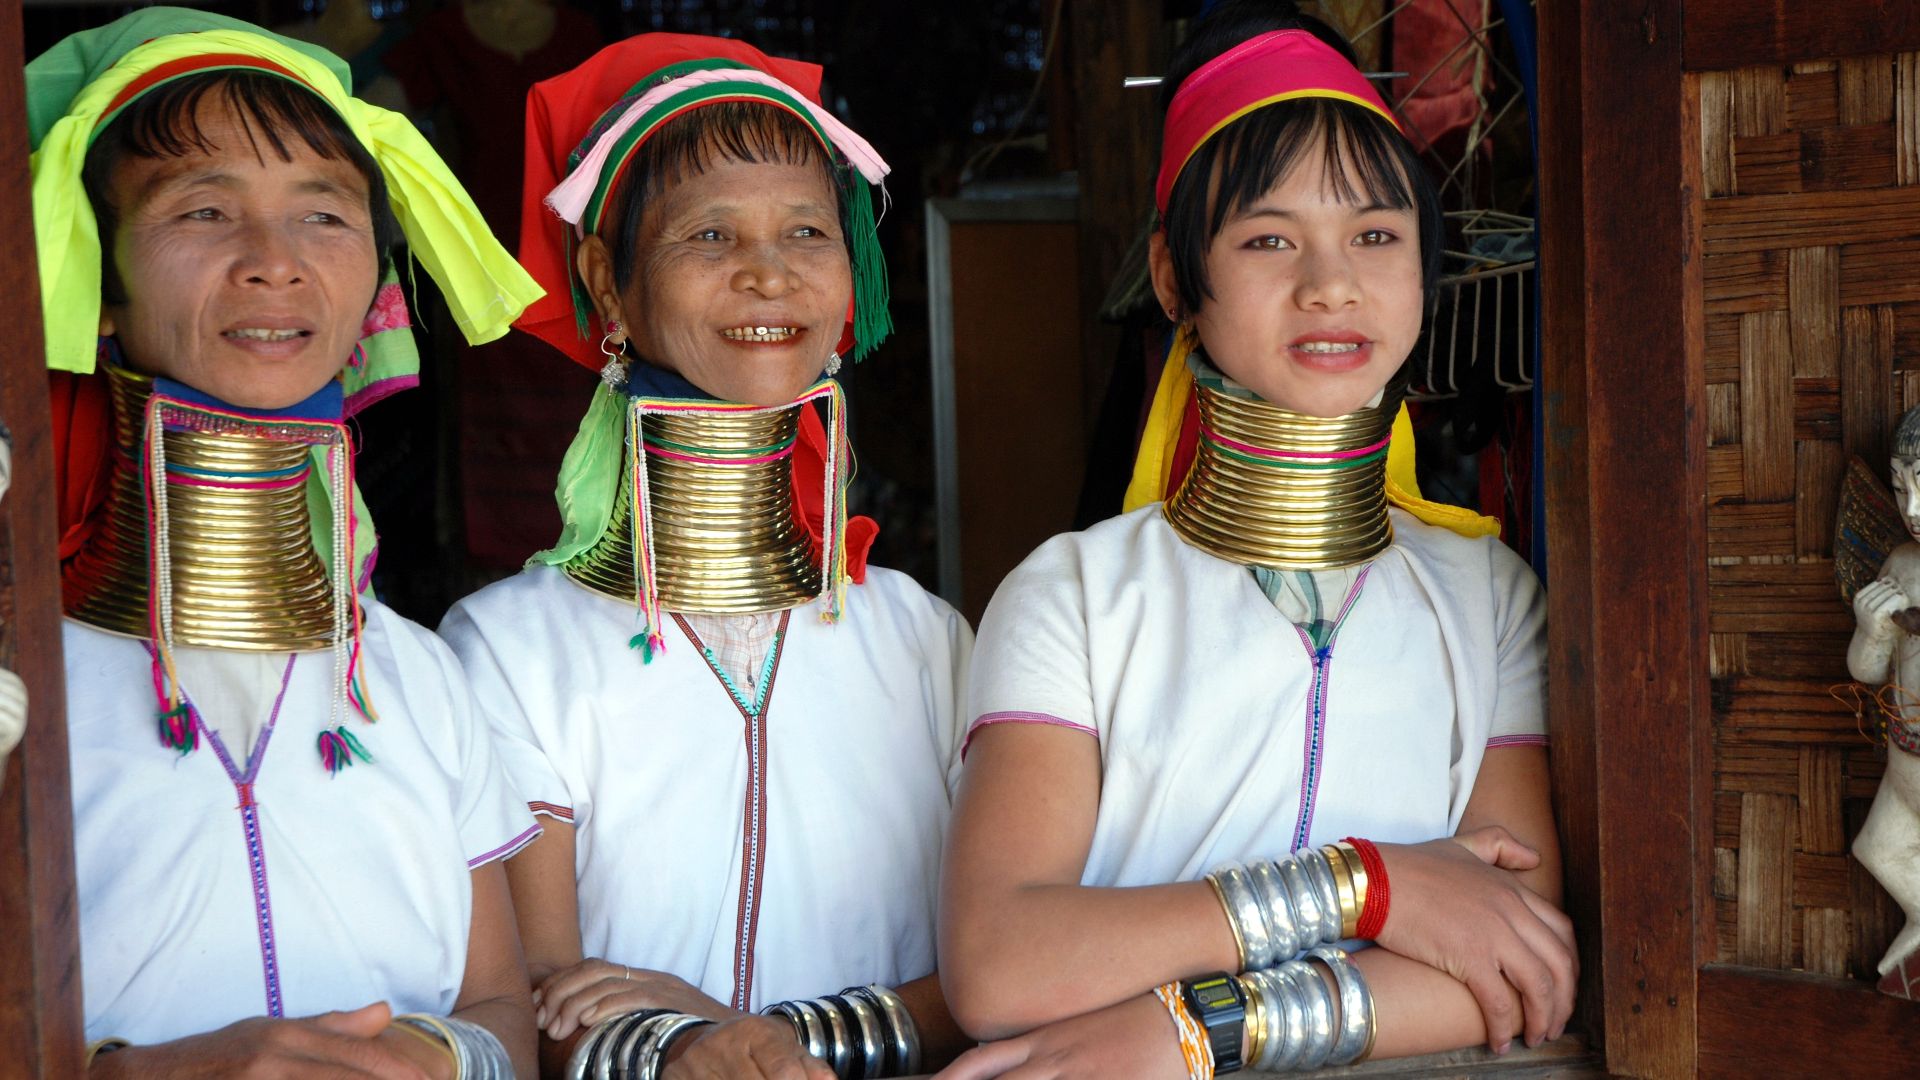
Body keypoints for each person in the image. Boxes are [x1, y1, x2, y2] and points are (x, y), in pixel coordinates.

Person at [936, 4, 1573, 1076]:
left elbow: (1520, 961)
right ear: (1178, 278)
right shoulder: (1073, 596)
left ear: (1425, 269)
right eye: (1269, 238)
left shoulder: (1490, 597)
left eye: (1376, 236)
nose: (1331, 283)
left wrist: (1192, 1032)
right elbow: (1002, 962)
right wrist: (1376, 884)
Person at [438, 33, 972, 1079]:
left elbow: (1001, 971)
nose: (767, 271)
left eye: (808, 232)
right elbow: (534, 999)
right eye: (710, 234)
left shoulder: (923, 638)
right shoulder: (509, 649)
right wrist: (686, 1046)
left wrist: (753, 1035)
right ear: (608, 281)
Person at [32, 9, 546, 1075]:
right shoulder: (23, 685)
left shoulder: (419, 677)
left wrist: (439, 1059)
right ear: (99, 285)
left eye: (324, 214)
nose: (273, 261)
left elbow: (502, 1002)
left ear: (375, 287)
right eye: (204, 209)